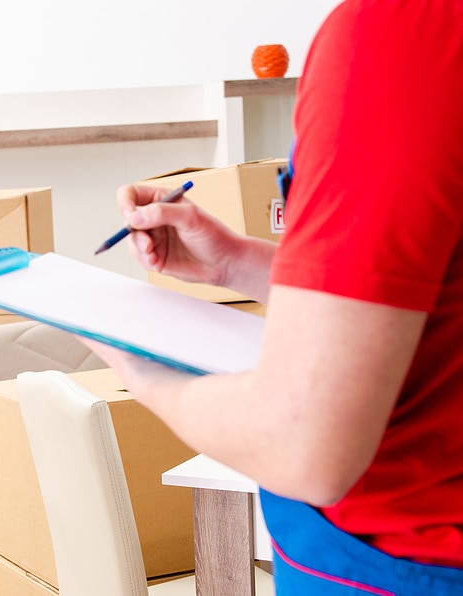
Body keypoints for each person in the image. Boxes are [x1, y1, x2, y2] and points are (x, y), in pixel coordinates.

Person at [82, 1, 463, 593]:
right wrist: (238, 263)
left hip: (399, 563)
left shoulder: (399, 34)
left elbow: (305, 443)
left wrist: (142, 367)